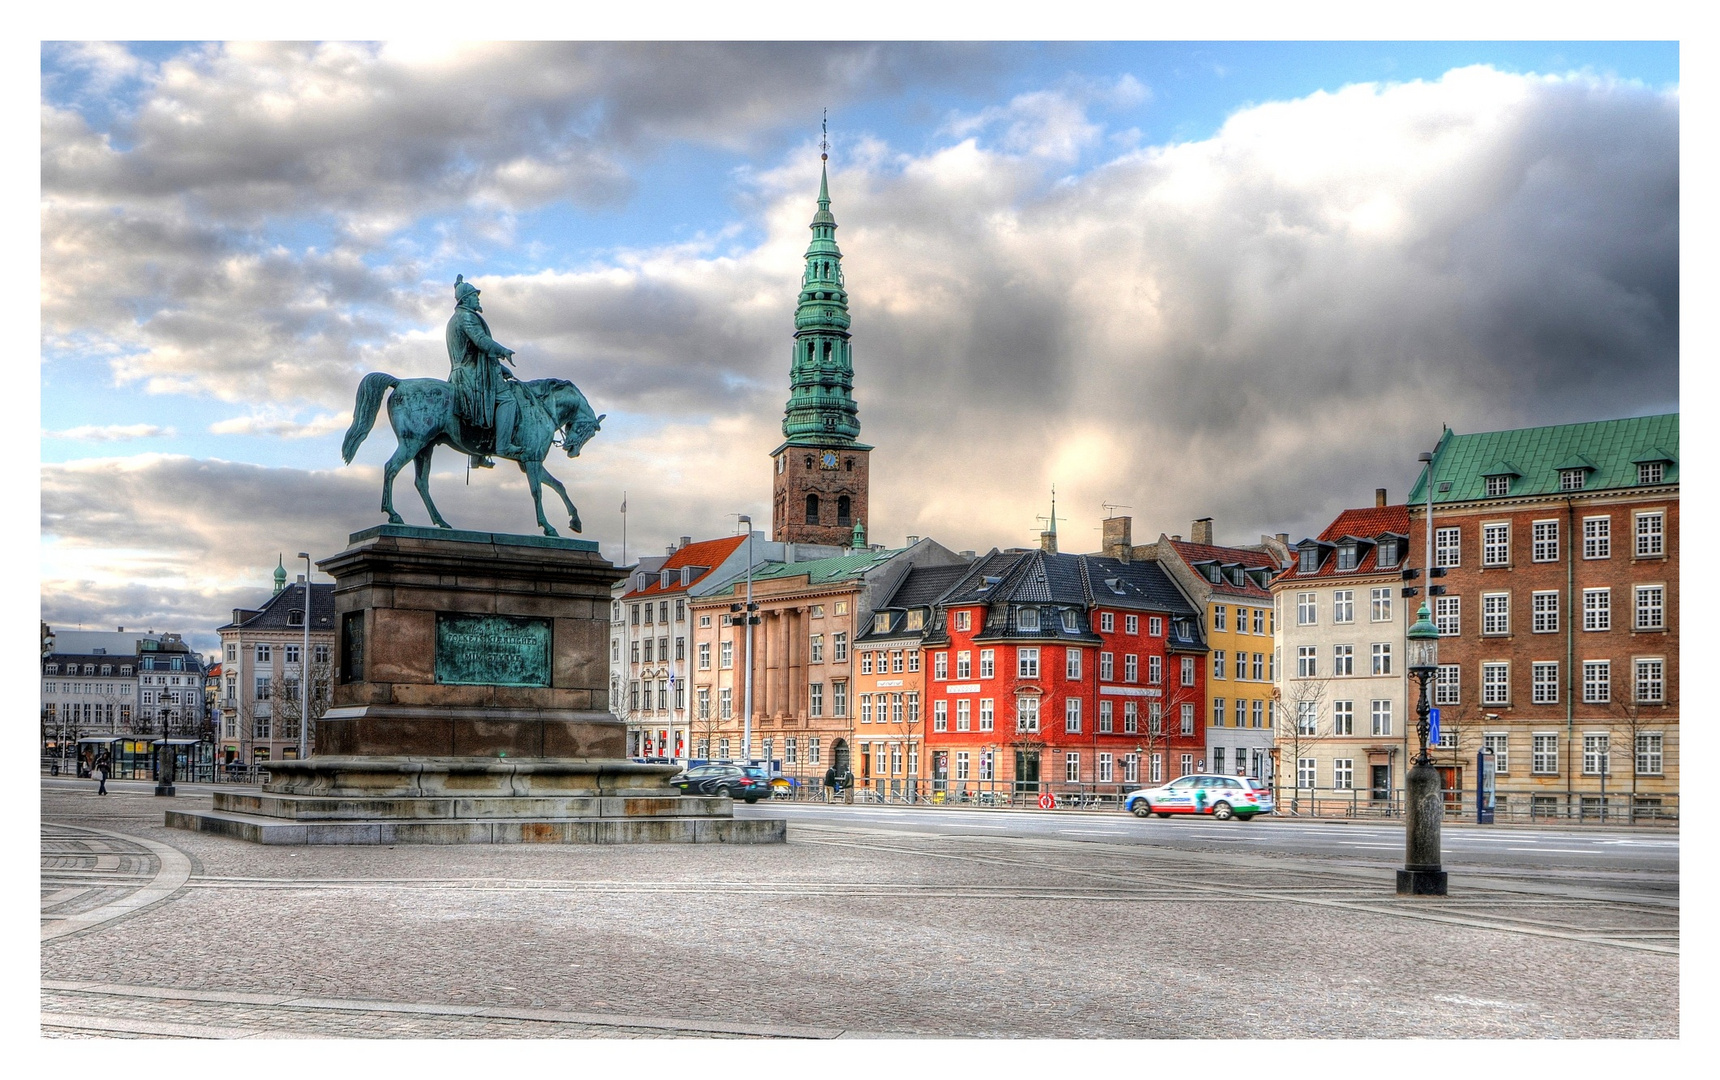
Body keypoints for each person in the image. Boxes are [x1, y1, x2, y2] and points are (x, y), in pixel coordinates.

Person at [445, 275, 521, 469]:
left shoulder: (457, 317)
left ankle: (477, 454)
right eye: (474, 295)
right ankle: (504, 445)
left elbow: (476, 351)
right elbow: (481, 341)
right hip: (471, 375)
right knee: (507, 399)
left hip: (469, 371)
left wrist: (500, 368)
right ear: (466, 299)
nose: (478, 298)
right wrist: (502, 351)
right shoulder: (466, 316)